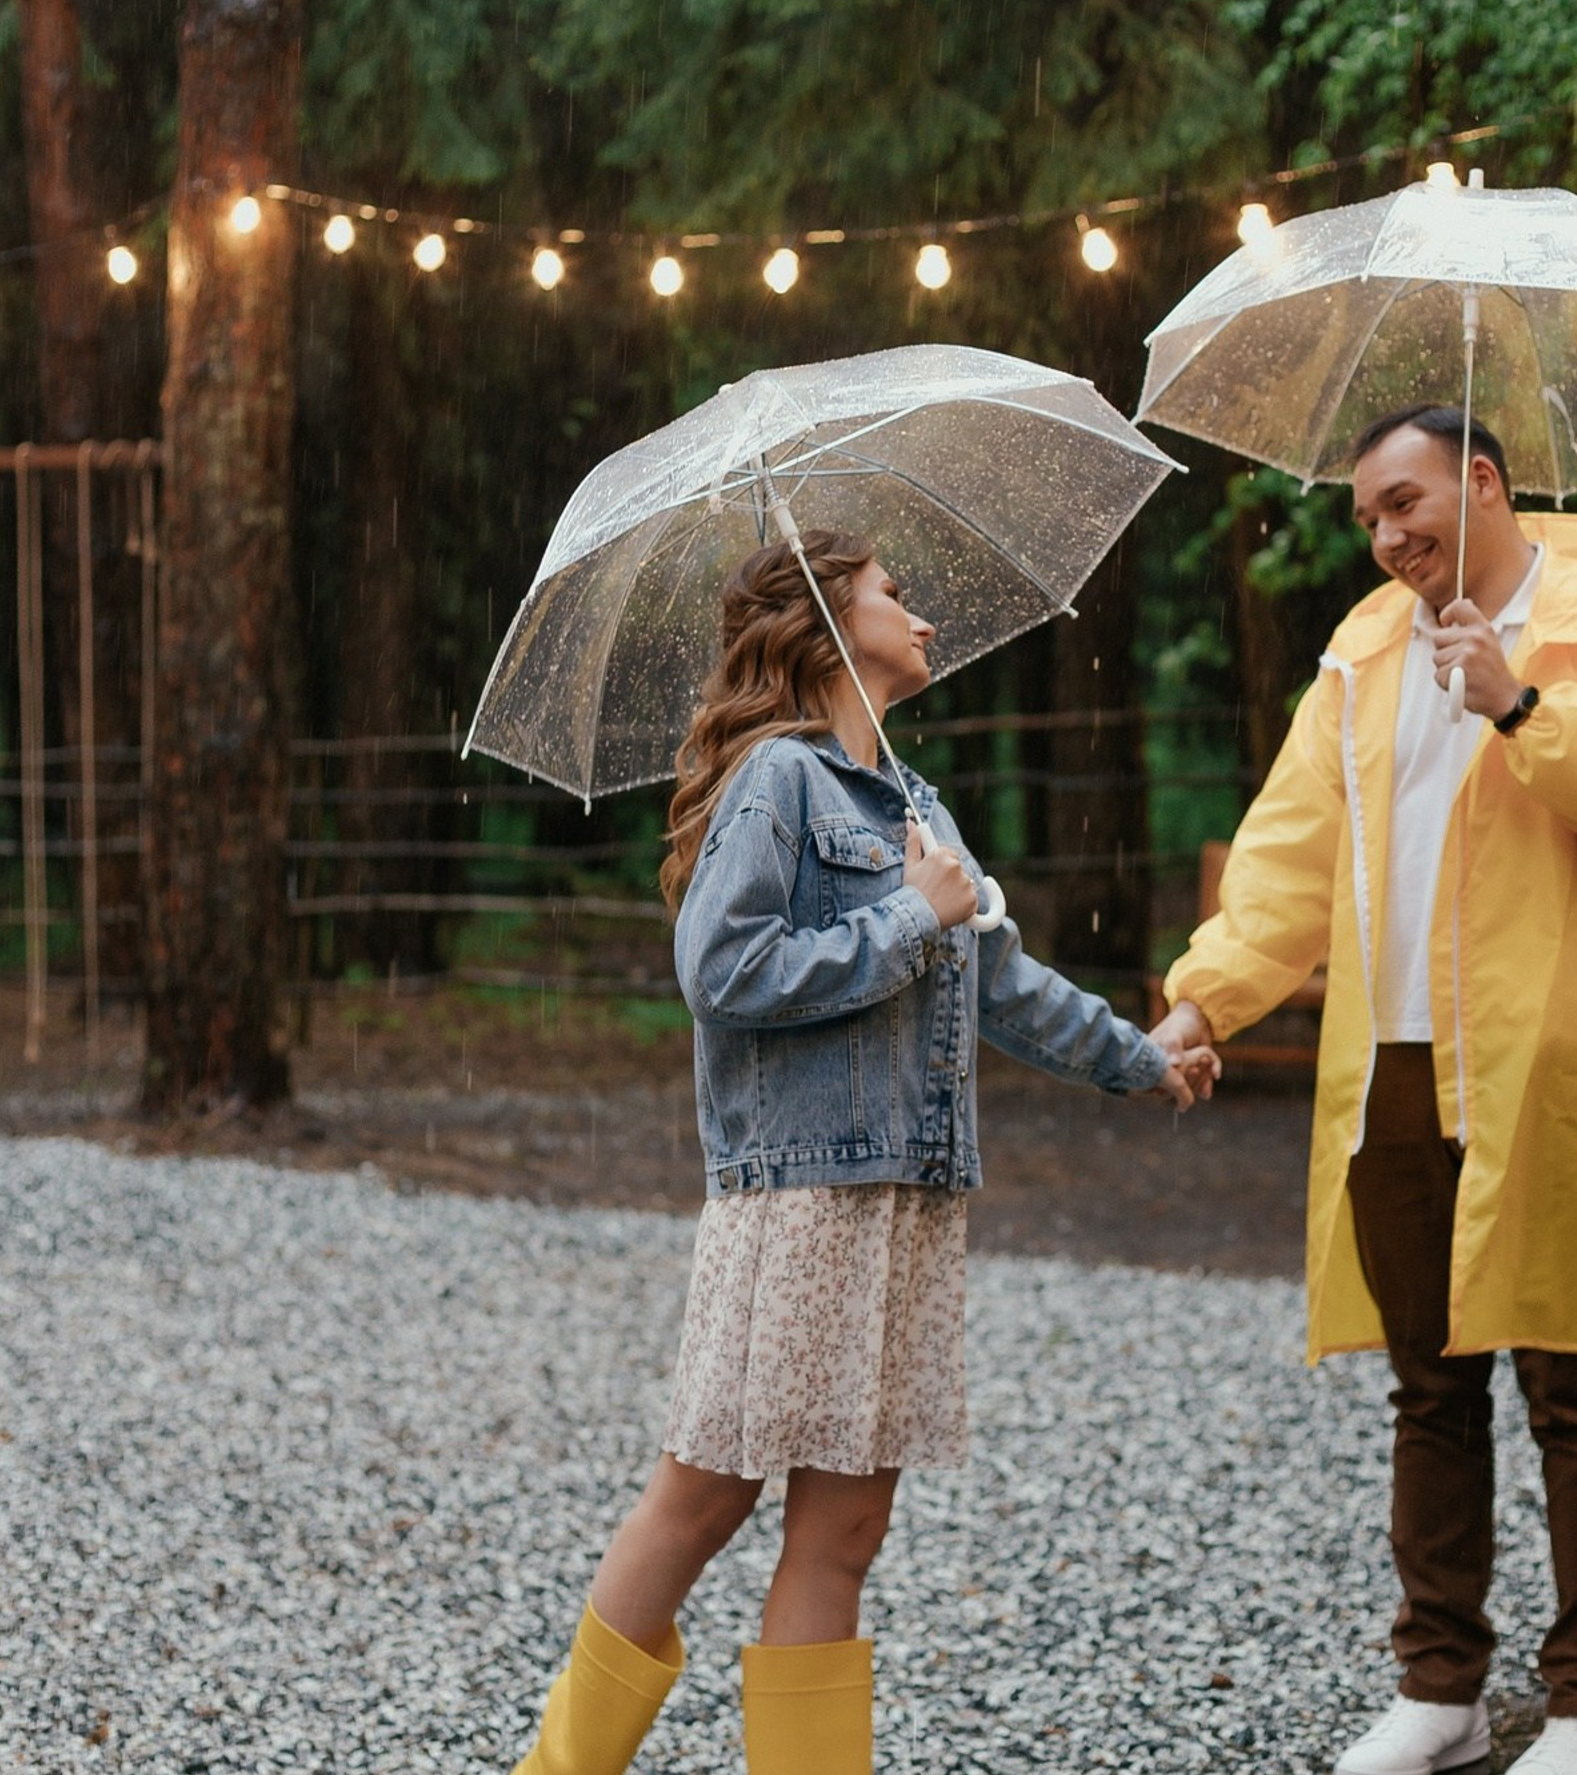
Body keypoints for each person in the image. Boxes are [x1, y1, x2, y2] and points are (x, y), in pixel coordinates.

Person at [507, 528, 1218, 1775]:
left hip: (909, 1200)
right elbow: (720, 974)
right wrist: (905, 916)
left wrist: (1141, 1060)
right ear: (827, 621)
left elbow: (1001, 982)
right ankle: (556, 1770)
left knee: (843, 1533)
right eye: (897, 594)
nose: (924, 616)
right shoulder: (778, 782)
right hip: (802, 1197)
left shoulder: (919, 803)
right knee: (709, 1491)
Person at [1153, 406, 1577, 1775]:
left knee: (1573, 1380)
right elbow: (1289, 860)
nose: (1387, 535)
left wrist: (1522, 703)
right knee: (1431, 1385)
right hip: (1392, 1060)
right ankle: (1442, 1689)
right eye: (1367, 519)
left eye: (1405, 503)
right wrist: (1205, 993)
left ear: (1481, 481)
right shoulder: (1358, 654)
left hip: (1551, 1060)